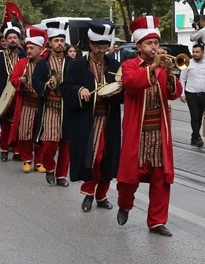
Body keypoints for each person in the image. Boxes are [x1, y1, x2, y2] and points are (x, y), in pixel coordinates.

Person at [117, 15, 182, 236]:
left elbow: (174, 94)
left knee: (160, 177)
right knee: (129, 177)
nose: (154, 47)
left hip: (159, 130)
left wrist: (171, 74)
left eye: (156, 43)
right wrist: (152, 68)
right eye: (149, 43)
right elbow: (131, 84)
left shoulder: (164, 68)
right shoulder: (129, 65)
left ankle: (156, 221)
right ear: (139, 46)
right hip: (138, 131)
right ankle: (125, 204)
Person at [62, 20, 122, 212]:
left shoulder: (115, 65)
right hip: (87, 121)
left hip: (109, 120)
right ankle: (88, 193)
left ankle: (102, 195)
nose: (101, 51)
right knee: (92, 158)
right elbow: (65, 87)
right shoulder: (77, 66)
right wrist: (79, 90)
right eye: (97, 47)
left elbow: (123, 89)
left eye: (104, 47)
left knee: (107, 158)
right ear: (90, 45)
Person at [33, 26, 71, 185]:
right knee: (50, 142)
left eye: (62, 41)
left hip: (68, 107)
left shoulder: (72, 63)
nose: (60, 44)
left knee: (66, 143)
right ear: (50, 43)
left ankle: (61, 175)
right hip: (50, 106)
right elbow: (36, 82)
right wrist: (47, 85)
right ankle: (50, 167)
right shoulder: (43, 63)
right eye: (56, 41)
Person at [10, 26, 46, 171]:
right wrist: (20, 81)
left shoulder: (46, 63)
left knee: (41, 133)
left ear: (39, 49)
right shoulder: (21, 63)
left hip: (43, 104)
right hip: (27, 103)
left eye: (32, 48)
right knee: (25, 132)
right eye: (27, 48)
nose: (29, 50)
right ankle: (26, 159)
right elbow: (13, 79)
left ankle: (39, 161)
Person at [0, 24, 23, 162]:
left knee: (20, 123)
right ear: (5, 40)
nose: (12, 40)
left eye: (15, 37)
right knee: (5, 124)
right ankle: (4, 149)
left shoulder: (25, 56)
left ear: (19, 39)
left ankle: (17, 151)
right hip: (4, 94)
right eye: (9, 38)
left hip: (21, 94)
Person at [179, 43, 205, 147]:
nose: (195, 54)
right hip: (190, 94)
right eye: (193, 52)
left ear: (203, 53)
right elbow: (182, 80)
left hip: (202, 94)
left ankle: (194, 137)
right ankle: (198, 137)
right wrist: (182, 93)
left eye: (197, 52)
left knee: (199, 117)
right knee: (194, 116)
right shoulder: (187, 63)